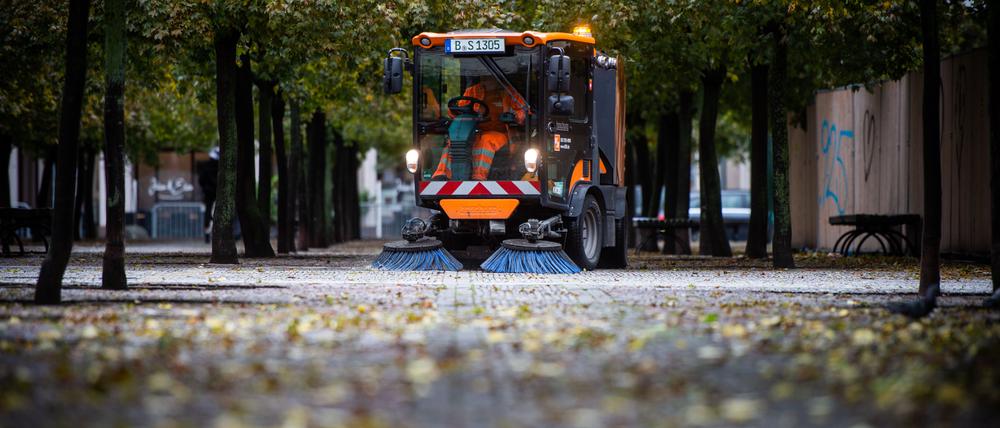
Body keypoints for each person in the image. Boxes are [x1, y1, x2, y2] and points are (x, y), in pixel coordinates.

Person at [433, 77, 527, 181]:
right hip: (475, 131)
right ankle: (441, 174)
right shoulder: (471, 91)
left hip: (502, 133)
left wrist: (515, 116)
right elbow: (459, 109)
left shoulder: (509, 92)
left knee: (486, 140)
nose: (485, 76)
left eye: (488, 73)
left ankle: (478, 177)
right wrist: (454, 111)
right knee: (454, 140)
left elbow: (524, 111)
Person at [196, 147, 219, 243]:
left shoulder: (206, 167)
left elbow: (201, 181)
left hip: (208, 192)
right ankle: (216, 233)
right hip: (217, 192)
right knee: (218, 211)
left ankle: (207, 233)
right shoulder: (221, 167)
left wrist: (205, 187)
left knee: (208, 212)